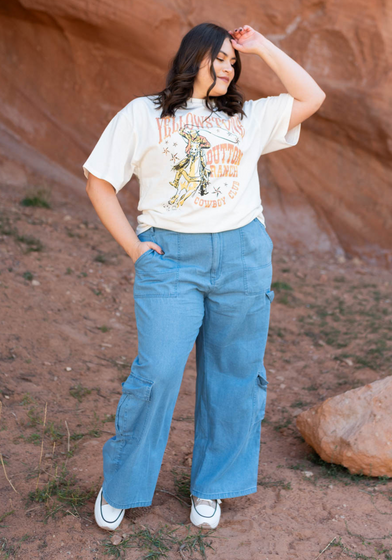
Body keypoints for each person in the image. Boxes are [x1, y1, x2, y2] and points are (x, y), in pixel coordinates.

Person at [83, 22, 326, 532]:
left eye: (232, 61)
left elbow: (312, 95)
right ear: (191, 56)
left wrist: (261, 47)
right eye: (218, 57)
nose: (227, 66)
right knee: (158, 373)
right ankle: (124, 484)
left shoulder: (247, 117)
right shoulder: (143, 114)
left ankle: (213, 486)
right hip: (170, 261)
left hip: (242, 256)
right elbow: (99, 179)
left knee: (235, 374)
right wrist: (134, 249)